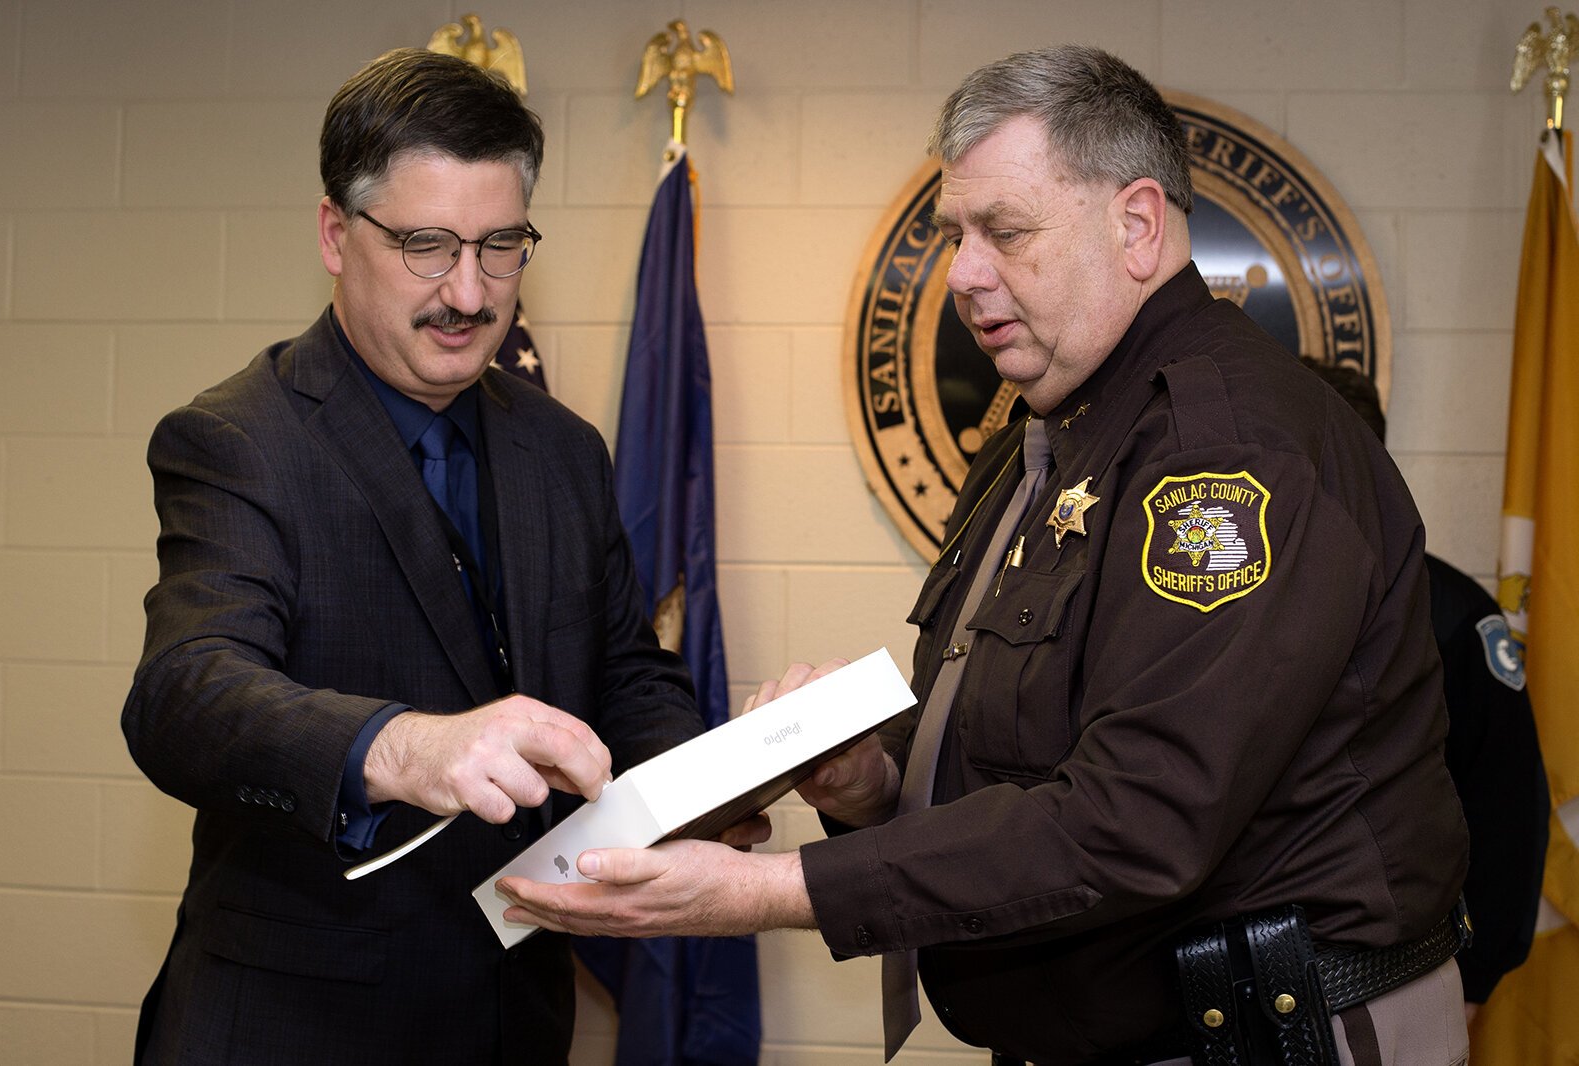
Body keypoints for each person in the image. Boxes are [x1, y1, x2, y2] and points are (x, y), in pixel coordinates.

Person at [499, 46, 1473, 1066]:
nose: (963, 273)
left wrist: (766, 892)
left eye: (1003, 232)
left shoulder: (1223, 452)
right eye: (955, 235)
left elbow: (1136, 817)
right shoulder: (1045, 431)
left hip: (1271, 1040)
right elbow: (1032, 752)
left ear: (1136, 225)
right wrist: (872, 784)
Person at [121, 48, 704, 1064]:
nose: (469, 293)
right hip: (297, 1025)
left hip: (513, 1015)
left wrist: (713, 780)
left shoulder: (562, 449)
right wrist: (403, 747)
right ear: (336, 235)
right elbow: (185, 695)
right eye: (428, 246)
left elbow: (620, 670)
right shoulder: (238, 439)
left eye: (500, 245)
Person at [1304, 359, 1550, 1022]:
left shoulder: (1453, 617)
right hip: (1253, 986)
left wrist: (1474, 981)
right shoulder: (1225, 613)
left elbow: (1507, 810)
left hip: (1405, 984)